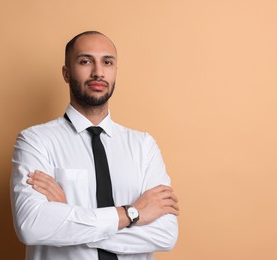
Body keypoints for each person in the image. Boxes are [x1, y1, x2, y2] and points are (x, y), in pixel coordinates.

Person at [10, 31, 179, 260]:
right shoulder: (35, 141)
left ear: (115, 71)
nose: (98, 72)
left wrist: (69, 217)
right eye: (85, 61)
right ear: (66, 73)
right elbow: (32, 226)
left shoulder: (143, 146)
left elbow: (165, 235)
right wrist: (132, 214)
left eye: (107, 62)